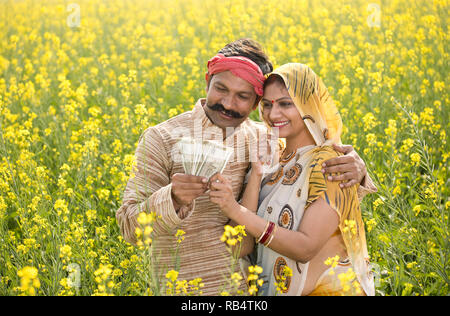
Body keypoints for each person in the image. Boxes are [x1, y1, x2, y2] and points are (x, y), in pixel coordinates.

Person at [116, 39, 376, 295]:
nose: (228, 103)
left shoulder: (267, 139)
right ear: (208, 83)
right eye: (220, 89)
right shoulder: (161, 138)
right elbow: (130, 228)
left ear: (255, 104)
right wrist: (171, 198)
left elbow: (311, 183)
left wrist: (356, 170)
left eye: (242, 96)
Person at [209, 63, 375, 296]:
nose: (273, 114)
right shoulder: (269, 154)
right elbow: (239, 246)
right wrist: (256, 176)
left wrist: (235, 210)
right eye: (267, 105)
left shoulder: (331, 164)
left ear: (309, 104)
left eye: (286, 104)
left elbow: (305, 247)